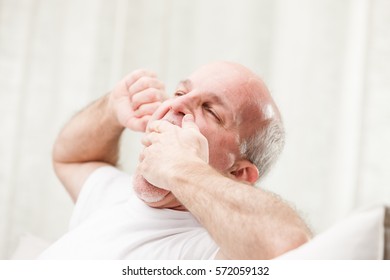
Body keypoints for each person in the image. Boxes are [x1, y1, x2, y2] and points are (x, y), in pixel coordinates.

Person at [38, 61, 311, 260]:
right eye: (180, 93)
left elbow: (288, 248)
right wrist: (111, 109)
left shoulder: (204, 251)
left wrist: (181, 168)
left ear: (237, 174)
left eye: (211, 111)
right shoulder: (115, 196)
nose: (176, 105)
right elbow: (71, 158)